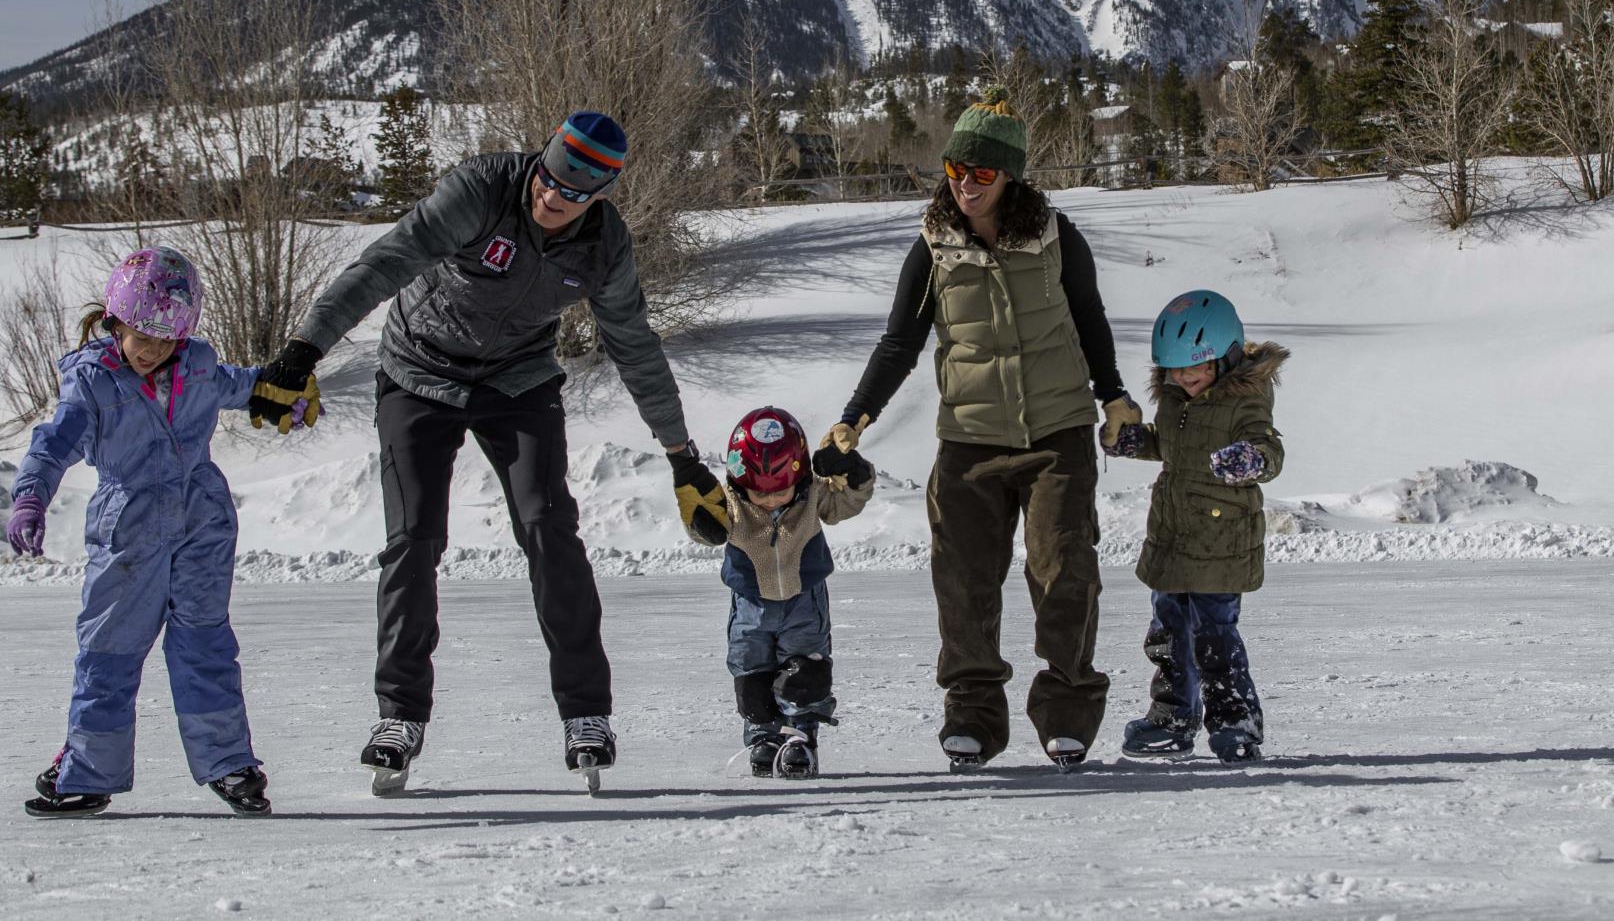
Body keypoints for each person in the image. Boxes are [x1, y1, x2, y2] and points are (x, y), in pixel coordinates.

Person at [253, 110, 728, 794]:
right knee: (413, 538)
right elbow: (388, 260)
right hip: (418, 371)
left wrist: (681, 453)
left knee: (548, 527)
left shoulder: (603, 245)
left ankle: (586, 711)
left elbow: (635, 345)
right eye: (546, 177)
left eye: (569, 191)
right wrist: (306, 348)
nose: (549, 195)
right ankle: (400, 714)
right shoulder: (481, 189)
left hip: (517, 380)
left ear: (597, 195)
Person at [818, 87, 1140, 770]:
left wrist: (1113, 396)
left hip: (1057, 434)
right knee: (962, 579)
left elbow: (1090, 320)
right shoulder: (932, 245)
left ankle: (1067, 706)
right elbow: (898, 343)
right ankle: (972, 712)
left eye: (983, 173)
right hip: (969, 437)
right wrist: (854, 417)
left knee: (1064, 569)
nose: (965, 185)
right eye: (955, 170)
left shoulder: (1056, 237)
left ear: (1011, 175)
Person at [8, 246, 322, 818]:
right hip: (128, 525)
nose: (152, 350)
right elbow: (55, 442)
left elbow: (249, 385)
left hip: (202, 520)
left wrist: (288, 392)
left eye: (166, 339)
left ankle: (230, 765)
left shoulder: (196, 366)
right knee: (109, 650)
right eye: (141, 335)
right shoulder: (92, 381)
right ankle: (89, 770)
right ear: (115, 322)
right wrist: (31, 494)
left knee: (205, 642)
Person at [1104, 289, 1286, 764]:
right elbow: (1165, 445)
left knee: (1215, 638)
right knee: (1166, 635)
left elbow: (1269, 450)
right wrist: (1132, 442)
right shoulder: (1172, 399)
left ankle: (1235, 723)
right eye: (1174, 371)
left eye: (1194, 370)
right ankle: (1173, 718)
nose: (1183, 379)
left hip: (1221, 542)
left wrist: (1250, 459)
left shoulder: (1246, 401)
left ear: (1225, 359)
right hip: (1172, 536)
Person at [691, 406, 875, 778]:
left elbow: (845, 504)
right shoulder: (731, 502)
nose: (770, 501)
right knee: (751, 672)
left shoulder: (812, 496)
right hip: (749, 606)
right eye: (759, 494)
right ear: (739, 480)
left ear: (800, 475)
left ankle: (799, 738)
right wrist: (699, 522)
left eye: (780, 492)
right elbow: (703, 524)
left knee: (805, 672)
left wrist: (856, 475)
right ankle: (763, 737)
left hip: (803, 602)